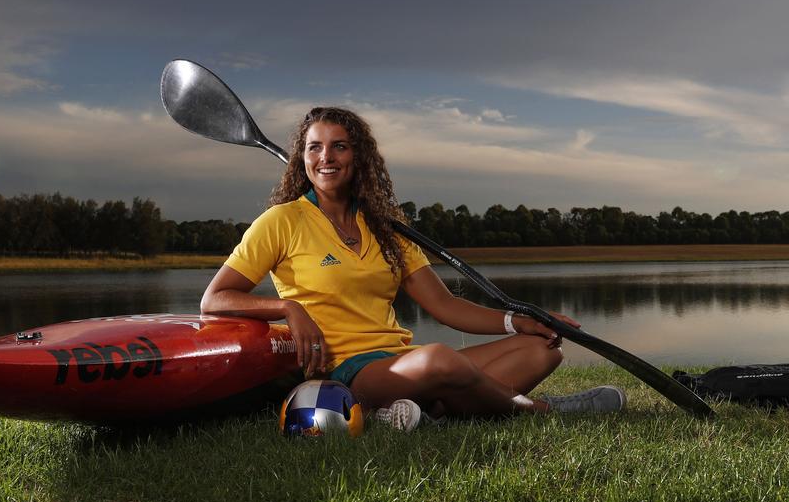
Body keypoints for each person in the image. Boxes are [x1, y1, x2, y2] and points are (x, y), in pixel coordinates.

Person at [201, 107, 625, 430]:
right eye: (315, 147)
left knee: (541, 350)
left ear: (358, 157)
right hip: (347, 372)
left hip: (400, 360)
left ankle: (430, 412)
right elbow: (215, 299)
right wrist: (288, 310)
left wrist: (521, 321)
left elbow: (445, 306)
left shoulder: (387, 228)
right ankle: (541, 410)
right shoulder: (282, 220)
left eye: (339, 146)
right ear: (303, 158)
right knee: (439, 360)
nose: (325, 157)